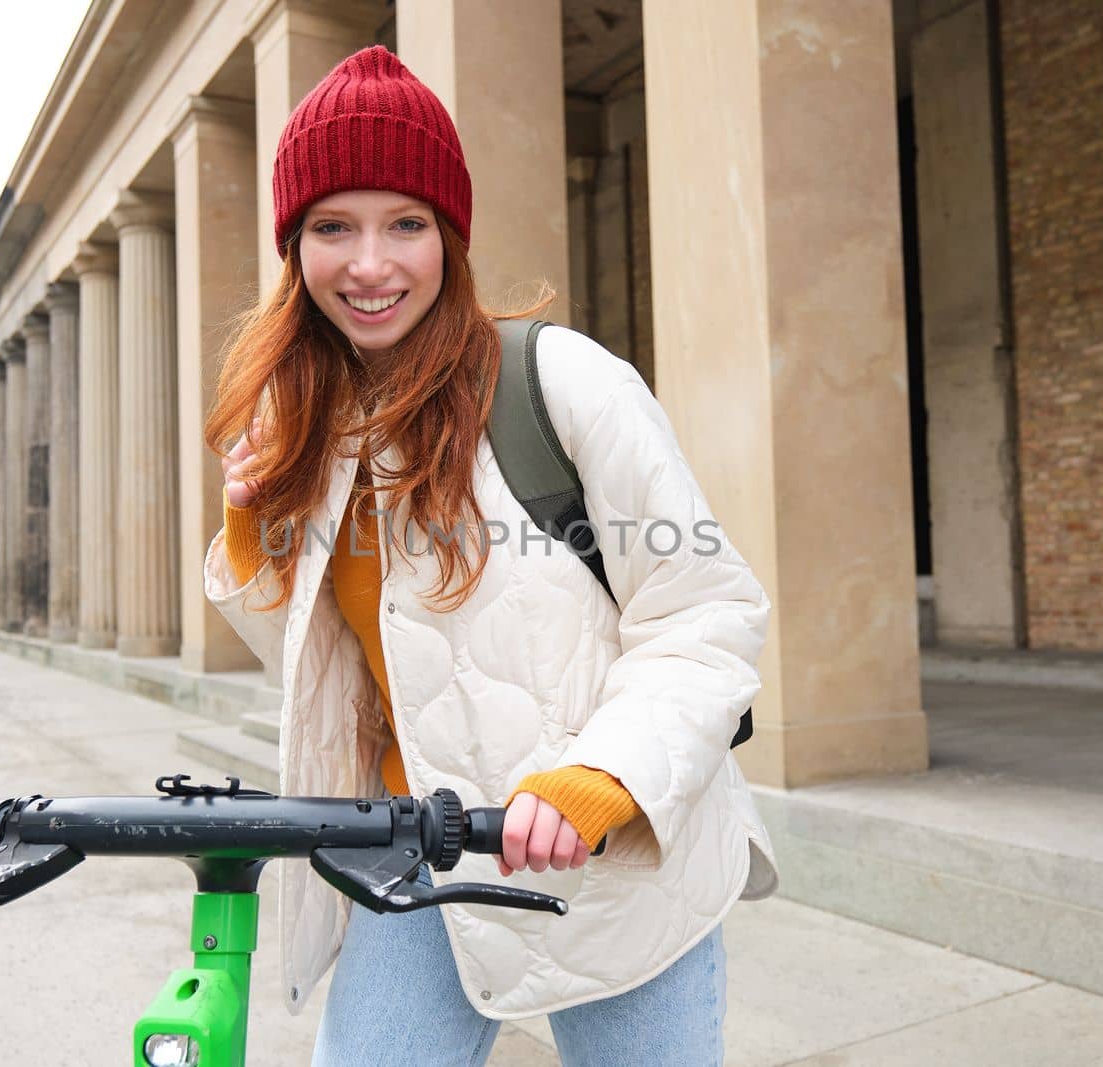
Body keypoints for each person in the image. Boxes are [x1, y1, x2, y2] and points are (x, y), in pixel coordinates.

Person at [202, 45, 776, 1066]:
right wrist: (259, 529)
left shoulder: (561, 382)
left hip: (615, 865)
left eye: (405, 224)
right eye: (332, 226)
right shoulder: (313, 420)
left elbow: (705, 611)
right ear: (294, 248)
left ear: (449, 236)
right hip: (411, 844)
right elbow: (326, 665)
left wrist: (599, 778)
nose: (368, 264)